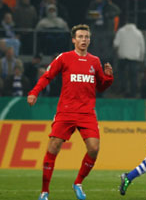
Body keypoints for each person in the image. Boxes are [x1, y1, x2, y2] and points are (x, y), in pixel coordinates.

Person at [27, 24, 113, 200]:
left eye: (86, 37)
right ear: (73, 40)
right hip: (66, 111)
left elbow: (101, 87)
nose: (83, 40)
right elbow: (47, 76)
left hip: (87, 112)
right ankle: (44, 192)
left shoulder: (95, 61)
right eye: (80, 37)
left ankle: (78, 182)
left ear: (89, 40)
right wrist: (34, 92)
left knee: (94, 148)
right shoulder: (64, 58)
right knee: (53, 147)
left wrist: (109, 77)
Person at [113, 17, 145, 98]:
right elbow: (142, 48)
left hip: (122, 58)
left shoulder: (120, 31)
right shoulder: (138, 33)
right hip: (134, 59)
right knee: (133, 77)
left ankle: (123, 89)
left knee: (121, 73)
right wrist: (141, 59)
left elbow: (115, 44)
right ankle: (133, 94)